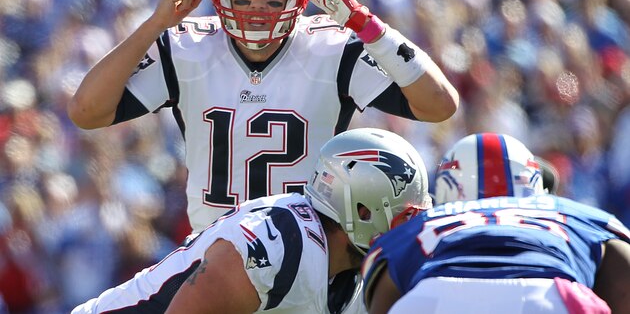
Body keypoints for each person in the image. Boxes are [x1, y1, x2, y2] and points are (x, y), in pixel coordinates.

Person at [66, 0, 458, 234]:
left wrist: (367, 25)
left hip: (309, 254)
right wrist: (153, 25)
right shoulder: (187, 46)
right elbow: (86, 111)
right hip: (212, 252)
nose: (257, 8)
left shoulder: (332, 47)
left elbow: (439, 105)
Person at [70, 127, 433, 314]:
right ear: (362, 210)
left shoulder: (353, 273)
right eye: (405, 218)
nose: (412, 232)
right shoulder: (275, 243)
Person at [361, 133, 630, 313]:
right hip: (547, 297)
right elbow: (622, 282)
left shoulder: (424, 223)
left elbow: (382, 283)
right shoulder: (573, 213)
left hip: (435, 297)